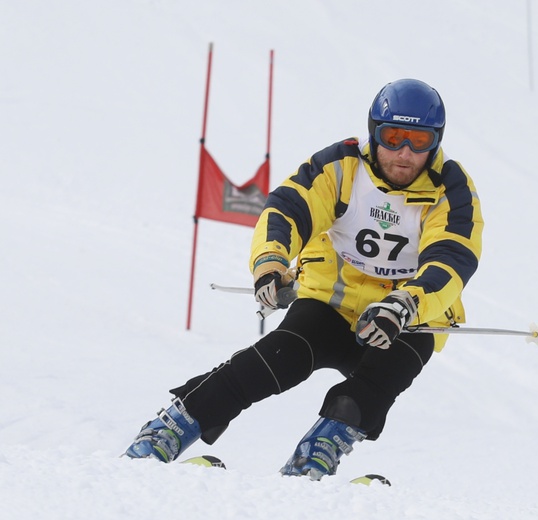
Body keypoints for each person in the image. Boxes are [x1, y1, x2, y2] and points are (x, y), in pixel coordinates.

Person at [124, 78, 484, 480]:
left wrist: (404, 304)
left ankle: (313, 458)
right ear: (373, 131)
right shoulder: (342, 167)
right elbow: (288, 209)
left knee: (374, 385)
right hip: (333, 299)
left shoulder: (451, 189)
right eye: (393, 136)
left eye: (419, 141)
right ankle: (170, 428)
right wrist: (271, 263)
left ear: (436, 142)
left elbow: (451, 258)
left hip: (407, 315)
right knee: (274, 360)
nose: (404, 153)